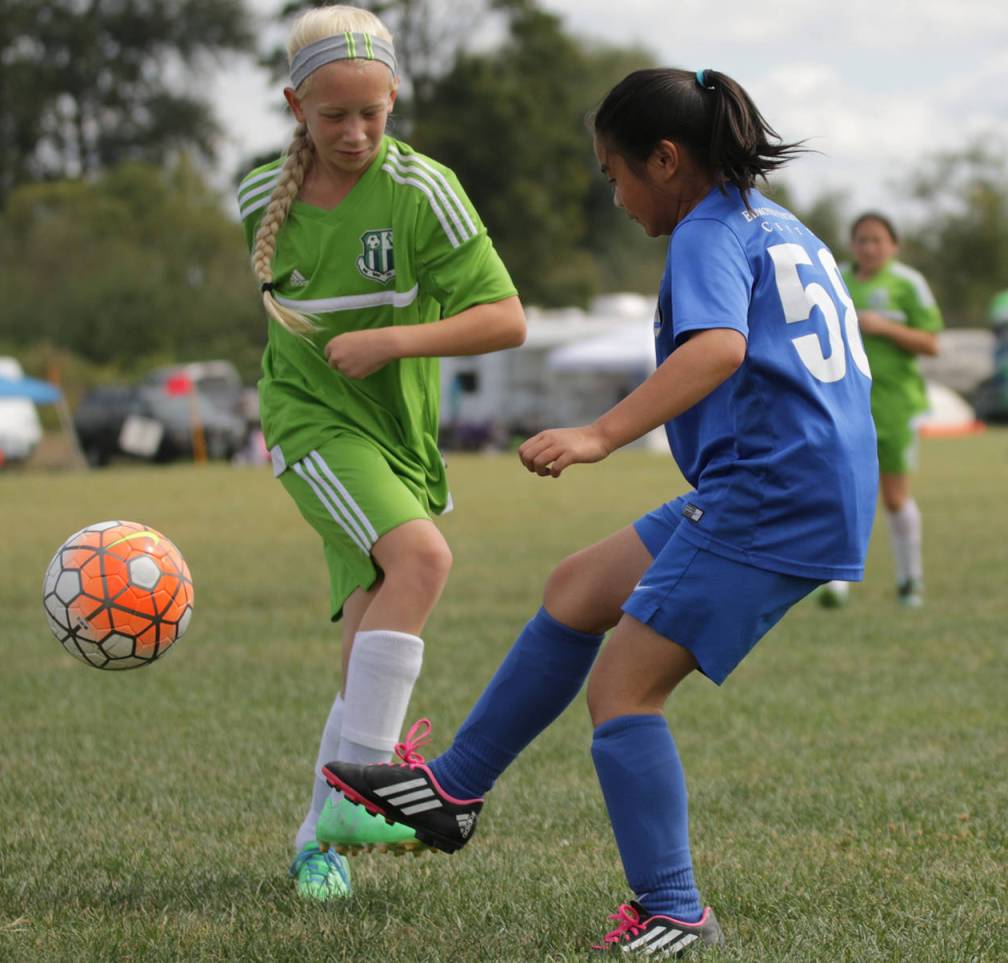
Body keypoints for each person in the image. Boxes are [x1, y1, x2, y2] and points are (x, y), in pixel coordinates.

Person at [322, 67, 878, 954]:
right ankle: (455, 789)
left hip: (772, 494)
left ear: (666, 159)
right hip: (793, 481)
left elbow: (719, 349)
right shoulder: (775, 223)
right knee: (578, 587)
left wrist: (598, 433)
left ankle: (674, 909)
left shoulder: (704, 231)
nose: (615, 196)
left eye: (614, 173)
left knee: (623, 689)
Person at [235, 5, 525, 901]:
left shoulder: (425, 190)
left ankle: (314, 839)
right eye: (334, 116)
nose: (356, 132)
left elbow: (506, 318)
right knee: (423, 561)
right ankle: (364, 797)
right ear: (296, 108)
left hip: (399, 438)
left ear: (394, 96)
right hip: (312, 426)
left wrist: (394, 341)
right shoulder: (257, 197)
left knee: (366, 639)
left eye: (372, 111)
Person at [817, 213, 941, 609]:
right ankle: (837, 581)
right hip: (846, 403)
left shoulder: (908, 283)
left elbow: (932, 343)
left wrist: (885, 328)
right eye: (862, 240)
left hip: (895, 406)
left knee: (893, 497)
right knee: (842, 491)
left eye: (877, 240)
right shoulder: (835, 278)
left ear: (893, 245)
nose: (869, 248)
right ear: (852, 245)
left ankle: (910, 580)